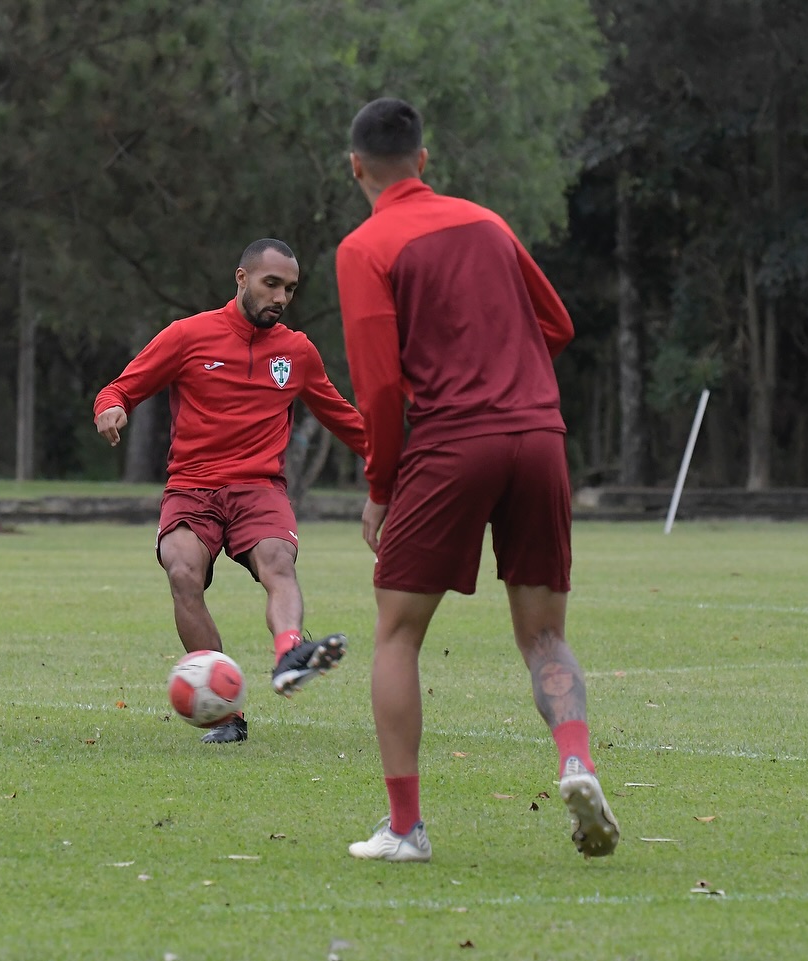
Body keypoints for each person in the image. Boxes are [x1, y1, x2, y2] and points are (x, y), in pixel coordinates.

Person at [334, 98, 619, 862]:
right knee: (546, 634)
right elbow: (554, 323)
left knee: (397, 633)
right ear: (424, 160)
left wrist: (381, 487)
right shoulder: (487, 223)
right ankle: (576, 761)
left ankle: (405, 827)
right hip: (540, 436)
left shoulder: (365, 247)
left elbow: (382, 389)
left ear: (356, 166)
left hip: (454, 443)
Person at [93, 239, 368, 745]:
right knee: (181, 568)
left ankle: (290, 653)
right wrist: (109, 408)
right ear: (241, 278)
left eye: (290, 288)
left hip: (258, 488)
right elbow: (121, 387)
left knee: (278, 563)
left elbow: (345, 419)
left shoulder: (297, 351)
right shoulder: (188, 335)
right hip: (193, 487)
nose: (281, 297)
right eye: (271, 284)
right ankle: (224, 715)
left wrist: (392, 461)